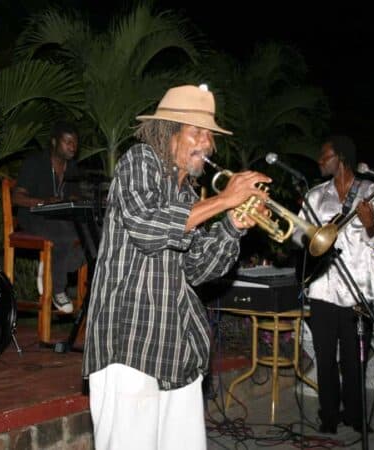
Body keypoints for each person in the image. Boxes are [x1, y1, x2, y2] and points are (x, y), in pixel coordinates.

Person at [82, 84, 271, 449]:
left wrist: (232, 225)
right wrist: (225, 199)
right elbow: (147, 227)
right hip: (131, 342)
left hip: (177, 347)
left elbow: (200, 270)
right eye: (196, 132)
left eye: (210, 135)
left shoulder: (187, 196)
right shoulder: (139, 162)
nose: (207, 144)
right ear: (168, 131)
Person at [297, 135, 374, 434]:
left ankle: (355, 415)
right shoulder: (315, 196)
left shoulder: (372, 194)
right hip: (322, 287)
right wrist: (311, 238)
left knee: (355, 360)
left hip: (357, 290)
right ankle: (329, 416)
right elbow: (300, 236)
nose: (320, 161)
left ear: (342, 158)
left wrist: (369, 223)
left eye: (325, 155)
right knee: (325, 357)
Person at [12, 121, 86, 313]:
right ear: (54, 142)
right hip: (33, 217)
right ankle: (58, 289)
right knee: (64, 233)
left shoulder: (72, 167)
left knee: (92, 231)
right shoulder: (35, 162)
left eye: (75, 143)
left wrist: (73, 200)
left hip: (62, 219)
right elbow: (17, 197)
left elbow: (75, 195)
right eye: (67, 142)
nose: (72, 147)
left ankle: (52, 266)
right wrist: (43, 202)